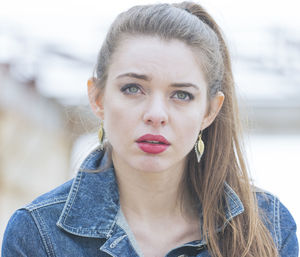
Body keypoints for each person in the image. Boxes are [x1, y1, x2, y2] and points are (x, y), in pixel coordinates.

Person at [2, 2, 298, 257]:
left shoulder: (268, 226)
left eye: (181, 95)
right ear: (98, 97)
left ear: (209, 111)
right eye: (133, 88)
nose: (156, 115)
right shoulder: (36, 233)